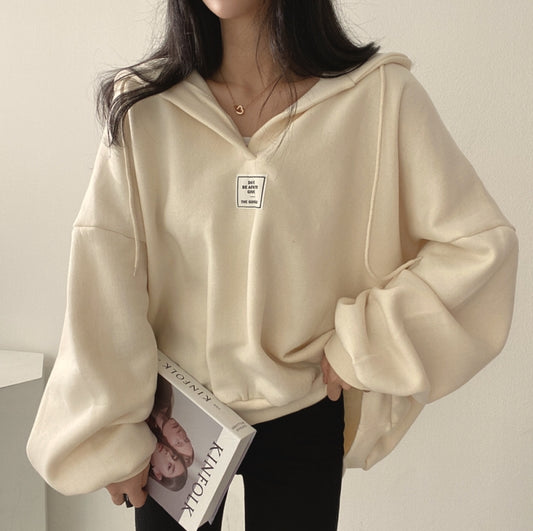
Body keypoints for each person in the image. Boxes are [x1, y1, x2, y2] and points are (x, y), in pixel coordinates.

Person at [27, 1, 518, 530]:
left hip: (304, 414)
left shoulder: (377, 97)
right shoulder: (145, 106)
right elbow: (104, 272)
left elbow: (478, 245)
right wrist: (113, 434)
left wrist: (368, 340)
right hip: (173, 421)